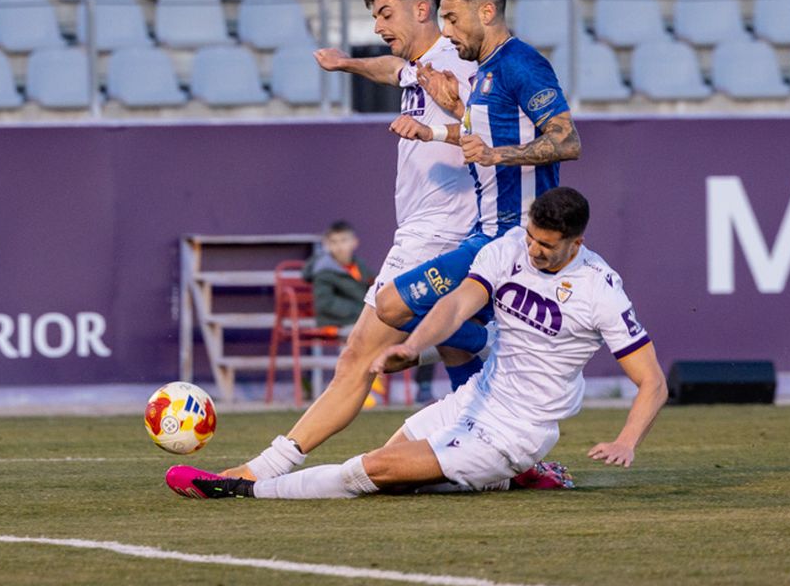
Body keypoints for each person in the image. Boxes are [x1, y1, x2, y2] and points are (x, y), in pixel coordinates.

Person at [224, 0, 583, 483]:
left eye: (386, 14)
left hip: (448, 229)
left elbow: (558, 139)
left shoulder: (479, 61)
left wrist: (482, 142)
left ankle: (266, 468)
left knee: (363, 347)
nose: (378, 27)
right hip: (464, 229)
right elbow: (401, 78)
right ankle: (511, 451)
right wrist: (352, 67)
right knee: (457, 350)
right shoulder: (457, 67)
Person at [168, 187, 667, 500]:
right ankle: (512, 478)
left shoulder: (600, 289)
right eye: (532, 238)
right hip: (473, 401)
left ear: (575, 244)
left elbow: (653, 383)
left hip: (516, 430)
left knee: (374, 470)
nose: (534, 250)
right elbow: (455, 305)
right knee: (392, 475)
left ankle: (243, 489)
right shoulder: (509, 248)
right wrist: (412, 346)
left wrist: (627, 442)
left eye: (546, 245)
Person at [305, 221, 371, 328]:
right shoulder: (323, 270)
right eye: (333, 242)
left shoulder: (360, 265)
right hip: (336, 323)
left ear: (354, 242)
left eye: (344, 240)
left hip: (357, 320)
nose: (339, 246)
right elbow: (325, 303)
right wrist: (361, 311)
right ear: (327, 245)